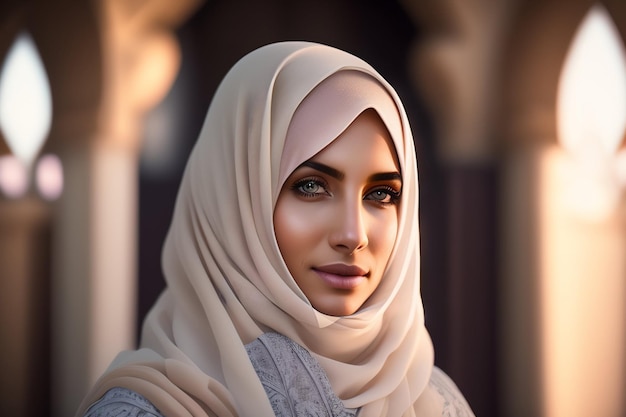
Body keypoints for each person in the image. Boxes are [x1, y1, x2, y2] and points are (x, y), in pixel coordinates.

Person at [76, 41, 474, 417]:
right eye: (311, 186)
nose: (354, 235)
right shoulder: (146, 409)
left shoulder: (436, 401)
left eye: (382, 194)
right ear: (232, 199)